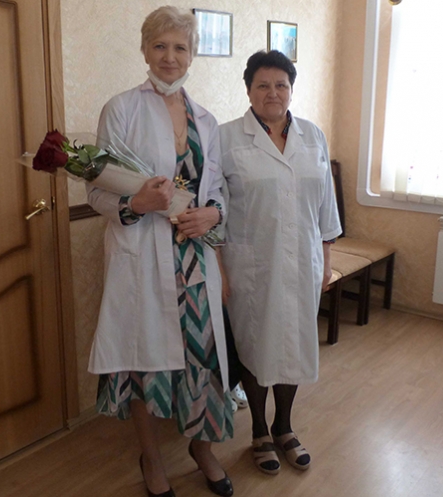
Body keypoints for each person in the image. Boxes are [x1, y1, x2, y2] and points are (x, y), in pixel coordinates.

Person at [85, 6, 233, 497]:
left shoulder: (206, 120)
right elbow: (96, 192)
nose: (170, 57)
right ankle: (151, 457)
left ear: (193, 55)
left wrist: (212, 215)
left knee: (204, 357)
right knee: (144, 361)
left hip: (194, 256)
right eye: (160, 46)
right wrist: (137, 204)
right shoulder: (121, 109)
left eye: (180, 47)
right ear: (145, 50)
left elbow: (218, 191)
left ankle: (202, 448)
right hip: (144, 255)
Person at [218, 50, 342, 475]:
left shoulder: (313, 135)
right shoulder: (226, 138)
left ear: (291, 90)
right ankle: (258, 431)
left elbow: (326, 204)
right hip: (251, 265)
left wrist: (326, 260)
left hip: (304, 259)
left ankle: (284, 426)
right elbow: (215, 207)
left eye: (281, 85)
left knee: (294, 345)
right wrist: (220, 270)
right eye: (263, 85)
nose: (273, 93)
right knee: (256, 345)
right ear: (248, 90)